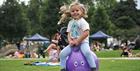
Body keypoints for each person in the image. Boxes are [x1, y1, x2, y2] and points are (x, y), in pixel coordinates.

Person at [59, 1, 96, 71]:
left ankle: (93, 67)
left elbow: (86, 33)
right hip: (73, 43)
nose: (75, 12)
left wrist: (78, 41)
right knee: (62, 54)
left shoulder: (83, 22)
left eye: (77, 10)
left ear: (82, 11)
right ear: (70, 13)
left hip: (83, 43)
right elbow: (68, 33)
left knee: (87, 52)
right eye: (73, 11)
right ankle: (63, 69)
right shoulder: (70, 22)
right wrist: (70, 41)